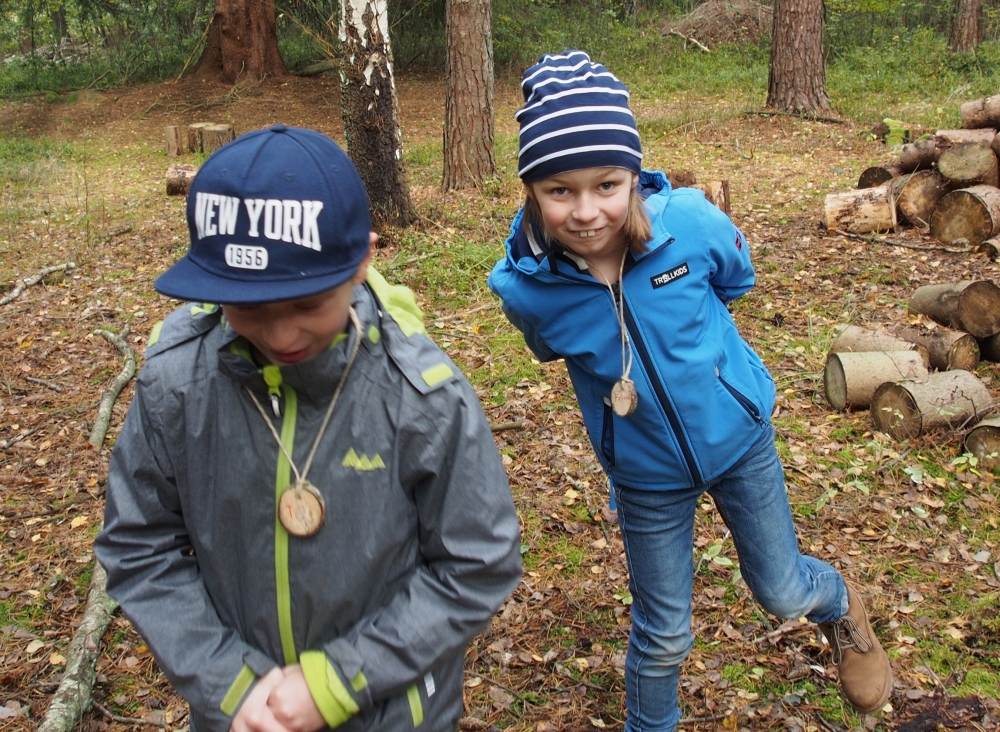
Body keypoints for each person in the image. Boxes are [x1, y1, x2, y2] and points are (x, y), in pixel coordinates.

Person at [488, 51, 892, 731]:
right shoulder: (528, 288)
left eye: (606, 184)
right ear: (531, 189)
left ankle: (843, 605)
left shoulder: (693, 225)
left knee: (781, 588)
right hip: (647, 476)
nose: (587, 211)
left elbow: (734, 281)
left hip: (739, 443)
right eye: (560, 190)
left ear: (633, 177)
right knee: (663, 632)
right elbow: (547, 344)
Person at [95, 125, 522, 732]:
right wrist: (227, 681)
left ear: (363, 260)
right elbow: (138, 546)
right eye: (248, 308)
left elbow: (478, 561)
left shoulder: (421, 397)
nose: (281, 335)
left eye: (306, 306)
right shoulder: (177, 386)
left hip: (394, 713)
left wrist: (340, 679)